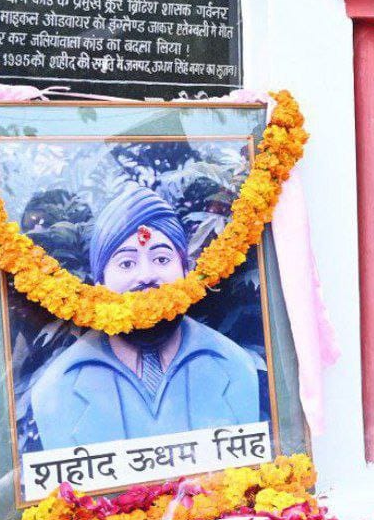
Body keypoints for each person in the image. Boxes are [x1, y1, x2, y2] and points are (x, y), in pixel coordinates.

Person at [30, 182, 263, 449]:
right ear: (99, 285)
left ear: (187, 273)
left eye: (162, 259)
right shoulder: (60, 387)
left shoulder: (232, 366)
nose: (146, 276)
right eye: (126, 263)